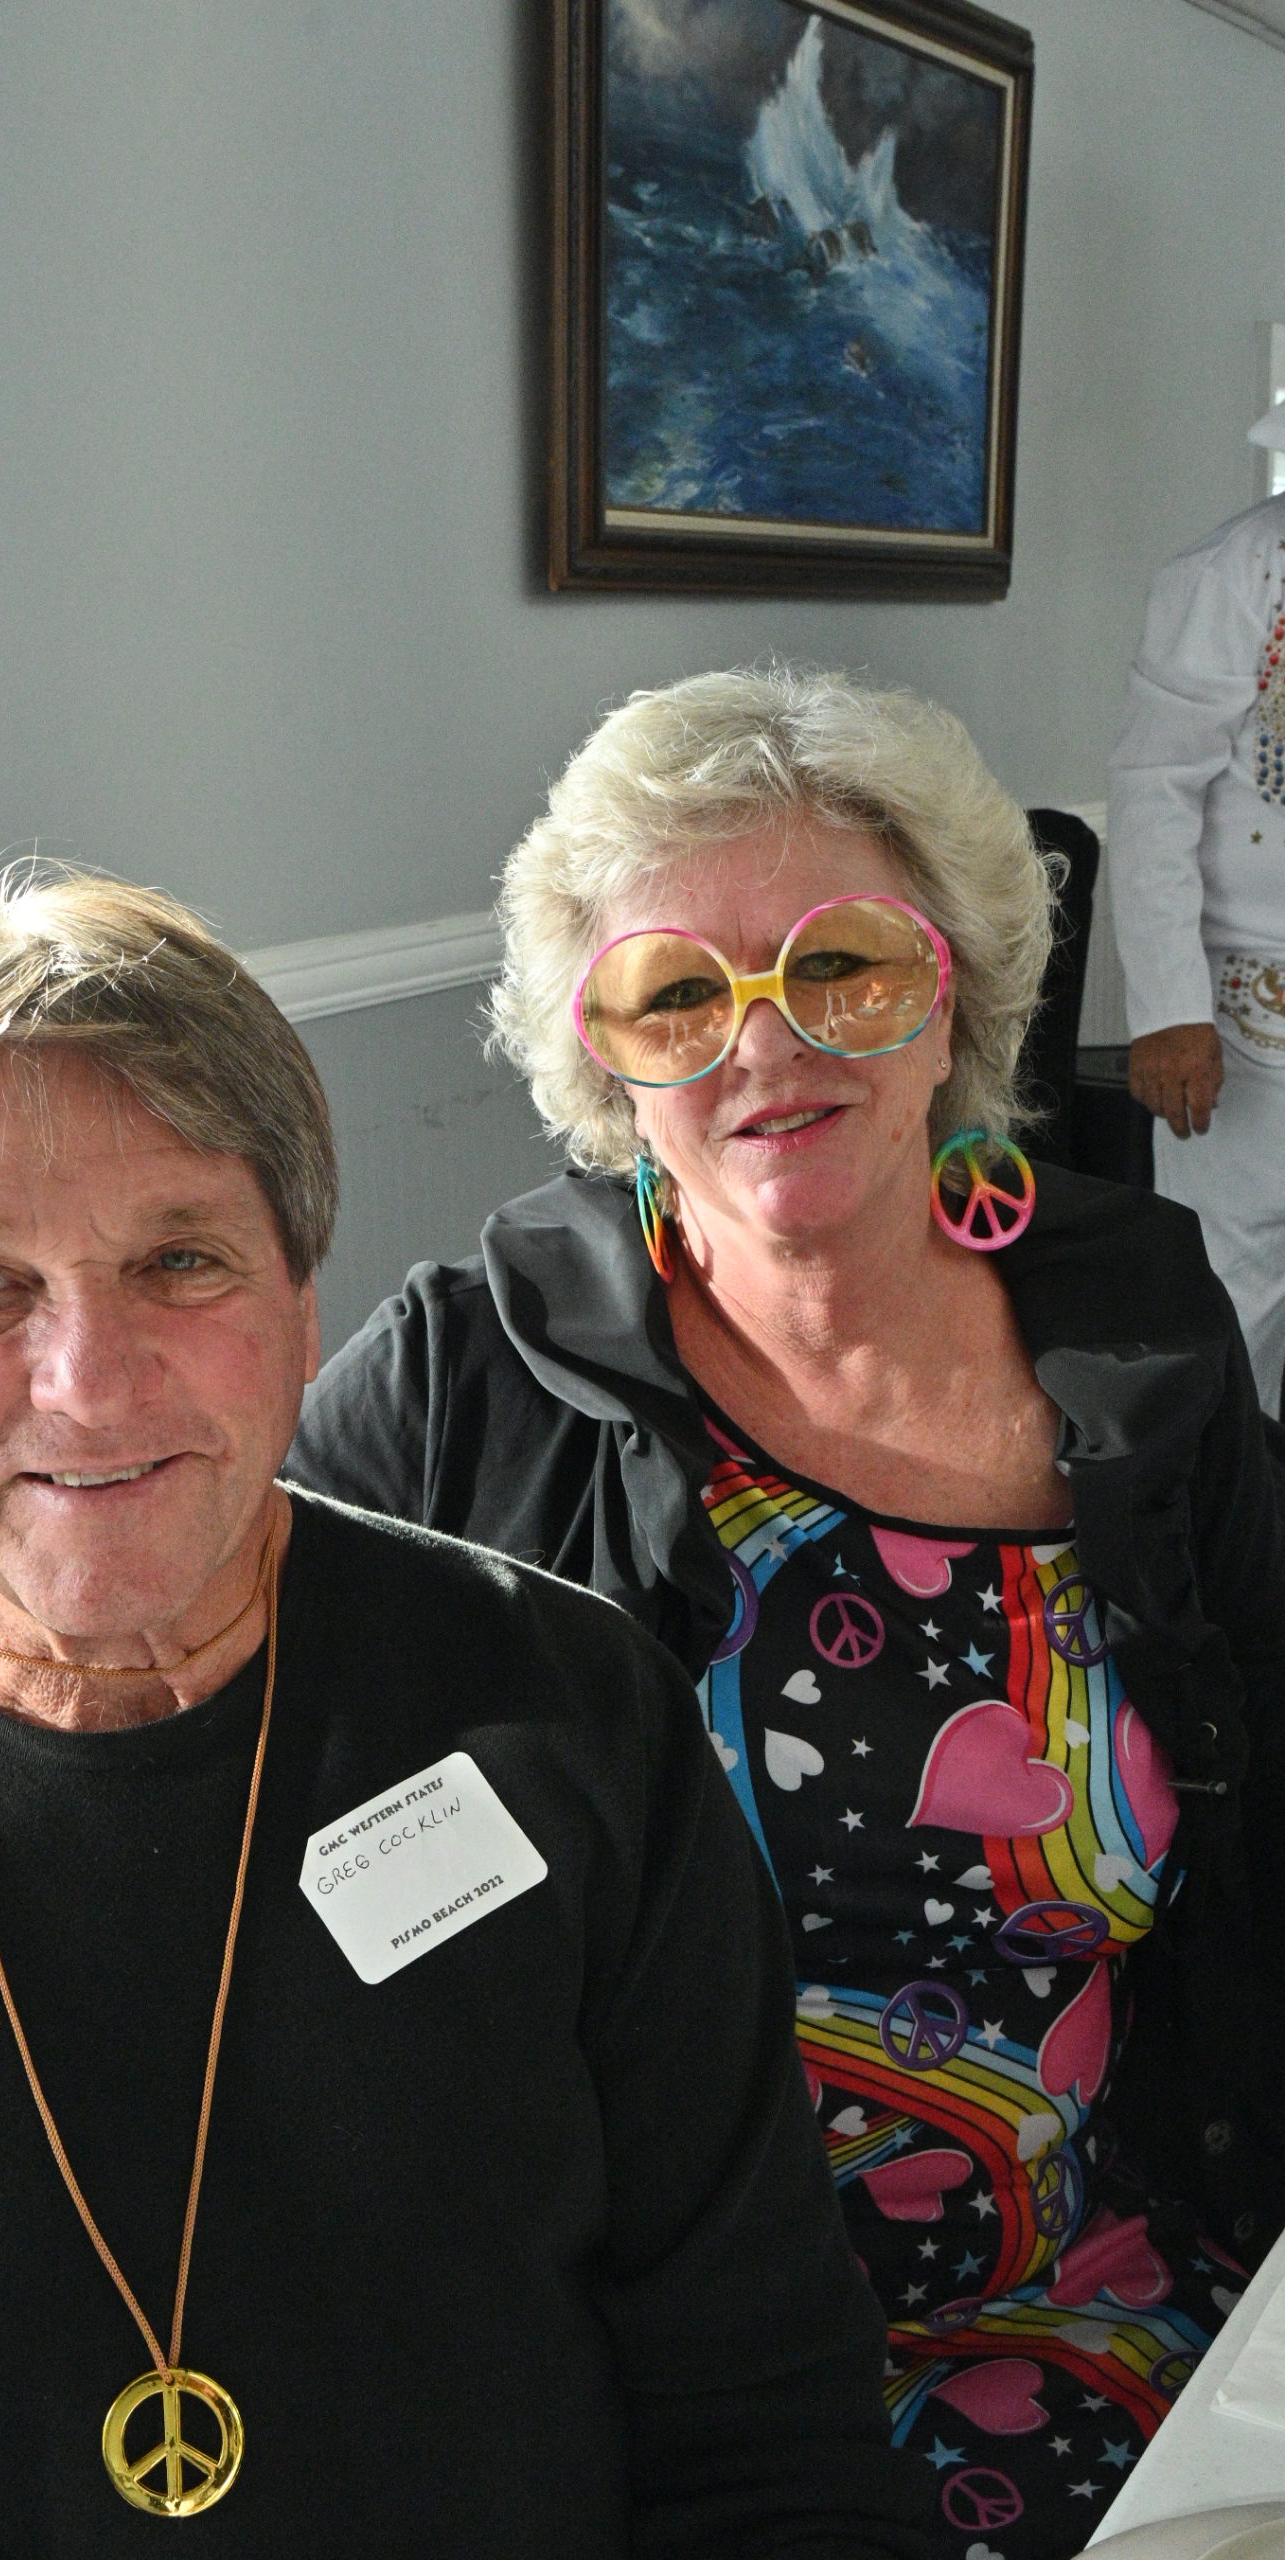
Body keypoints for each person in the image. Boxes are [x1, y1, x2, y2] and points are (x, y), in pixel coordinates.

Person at [0, 868, 926, 2559]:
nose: (89, 1381)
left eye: (178, 1260)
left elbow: (770, 2434)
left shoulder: (570, 1721)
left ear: (301, 1313)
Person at [291, 669, 1285, 2560]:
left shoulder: (1138, 1323)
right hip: (629, 2376)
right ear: (607, 1064)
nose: (767, 1042)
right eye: (676, 993)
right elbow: (202, 1729)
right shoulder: (461, 1381)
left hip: (1093, 2291)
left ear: (952, 998)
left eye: (840, 964)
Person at [1107, 405, 1285, 1413]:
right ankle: (1233, 1504)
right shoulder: (1233, 575)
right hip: (1252, 1012)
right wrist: (1170, 1009)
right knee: (1231, 1297)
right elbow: (1153, 789)